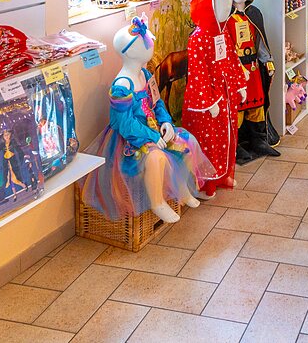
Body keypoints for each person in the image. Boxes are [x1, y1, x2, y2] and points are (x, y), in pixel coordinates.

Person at [83, 17, 213, 222]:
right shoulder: (122, 86)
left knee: (185, 141)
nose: (149, 45)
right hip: (131, 139)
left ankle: (183, 189)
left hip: (154, 128)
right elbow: (124, 124)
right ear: (129, 51)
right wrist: (151, 135)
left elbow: (157, 102)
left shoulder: (144, 74)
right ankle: (157, 202)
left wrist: (167, 122)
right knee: (156, 158)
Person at [183, 0, 247, 196]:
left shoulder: (223, 33)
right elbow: (198, 74)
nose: (225, 8)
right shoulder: (198, 39)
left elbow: (232, 59)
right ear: (206, 5)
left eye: (225, 3)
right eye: (219, 3)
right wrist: (208, 102)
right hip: (210, 99)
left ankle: (222, 175)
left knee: (226, 137)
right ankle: (205, 183)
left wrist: (239, 85)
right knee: (208, 140)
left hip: (226, 96)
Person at [224, 0, 281, 163]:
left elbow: (261, 40)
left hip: (254, 67)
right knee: (238, 107)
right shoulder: (224, 15)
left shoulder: (254, 13)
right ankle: (237, 144)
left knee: (257, 103)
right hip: (235, 69)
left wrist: (268, 60)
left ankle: (258, 140)